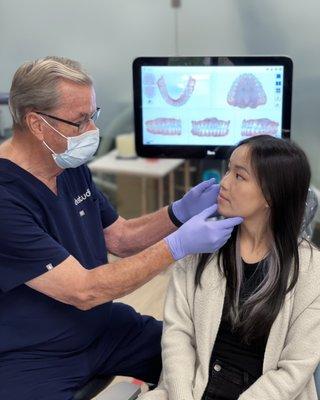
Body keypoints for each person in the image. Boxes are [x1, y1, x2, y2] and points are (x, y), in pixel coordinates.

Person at [0, 56, 242, 400]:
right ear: (38, 125)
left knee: (212, 358)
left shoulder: (66, 165)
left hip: (101, 327)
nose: (92, 131)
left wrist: (177, 213)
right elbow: (84, 291)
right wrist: (178, 245)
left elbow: (120, 237)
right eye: (79, 121)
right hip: (34, 352)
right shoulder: (7, 197)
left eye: (93, 116)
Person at [140, 135, 320, 400]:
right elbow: (177, 335)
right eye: (228, 170)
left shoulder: (311, 269)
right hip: (190, 391)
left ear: (272, 193)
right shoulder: (201, 247)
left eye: (239, 176)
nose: (223, 183)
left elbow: (294, 369)